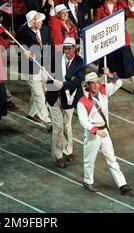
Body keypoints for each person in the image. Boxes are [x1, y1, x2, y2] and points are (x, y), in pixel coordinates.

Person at [77, 70, 131, 195]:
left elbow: (119, 83)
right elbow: (83, 122)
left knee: (111, 157)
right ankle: (88, 181)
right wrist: (96, 131)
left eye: (97, 82)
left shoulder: (103, 91)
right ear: (87, 85)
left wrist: (110, 74)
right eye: (93, 83)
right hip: (93, 133)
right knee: (90, 159)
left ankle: (122, 184)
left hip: (104, 130)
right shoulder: (82, 102)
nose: (96, 85)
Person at [94, 0, 134, 96]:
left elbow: (131, 15)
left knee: (129, 62)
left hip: (122, 39)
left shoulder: (121, 4)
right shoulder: (100, 9)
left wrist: (131, 7)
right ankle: (98, 89)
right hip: (108, 41)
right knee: (106, 66)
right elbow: (96, 25)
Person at [46, 38, 85, 168]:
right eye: (65, 48)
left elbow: (79, 81)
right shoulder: (56, 58)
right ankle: (58, 155)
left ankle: (68, 149)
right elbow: (41, 62)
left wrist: (63, 84)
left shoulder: (80, 62)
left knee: (67, 124)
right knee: (58, 127)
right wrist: (31, 56)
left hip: (69, 98)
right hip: (54, 97)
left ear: (75, 48)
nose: (66, 50)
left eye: (69, 48)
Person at [15, 10, 53, 131]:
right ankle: (47, 120)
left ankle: (31, 112)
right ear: (31, 22)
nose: (41, 21)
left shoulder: (45, 30)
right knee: (39, 95)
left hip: (44, 67)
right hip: (30, 69)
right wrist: (24, 53)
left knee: (42, 90)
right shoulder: (23, 33)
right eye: (38, 20)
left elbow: (50, 45)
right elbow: (17, 48)